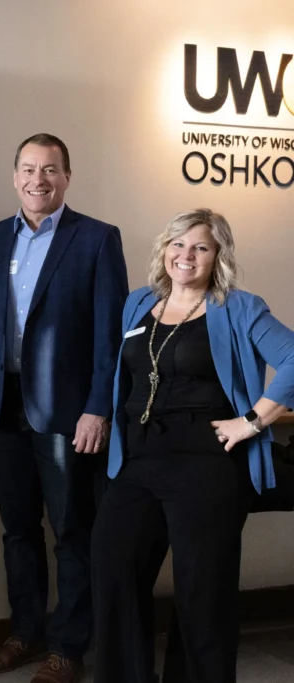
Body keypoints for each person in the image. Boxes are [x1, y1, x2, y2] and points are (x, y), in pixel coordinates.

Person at [92, 209, 294, 683]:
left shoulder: (239, 307)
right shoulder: (139, 303)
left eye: (201, 247)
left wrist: (252, 421)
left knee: (202, 593)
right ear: (165, 249)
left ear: (217, 256)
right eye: (178, 244)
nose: (186, 255)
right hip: (140, 458)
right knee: (113, 565)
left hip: (208, 463)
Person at [0, 133, 128, 683]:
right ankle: (25, 632)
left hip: (68, 415)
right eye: (30, 169)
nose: (39, 179)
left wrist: (98, 409)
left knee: (71, 532)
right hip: (2, 407)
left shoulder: (97, 239)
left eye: (51, 170)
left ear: (67, 176)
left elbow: (112, 337)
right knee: (17, 529)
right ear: (15, 176)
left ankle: (68, 646)